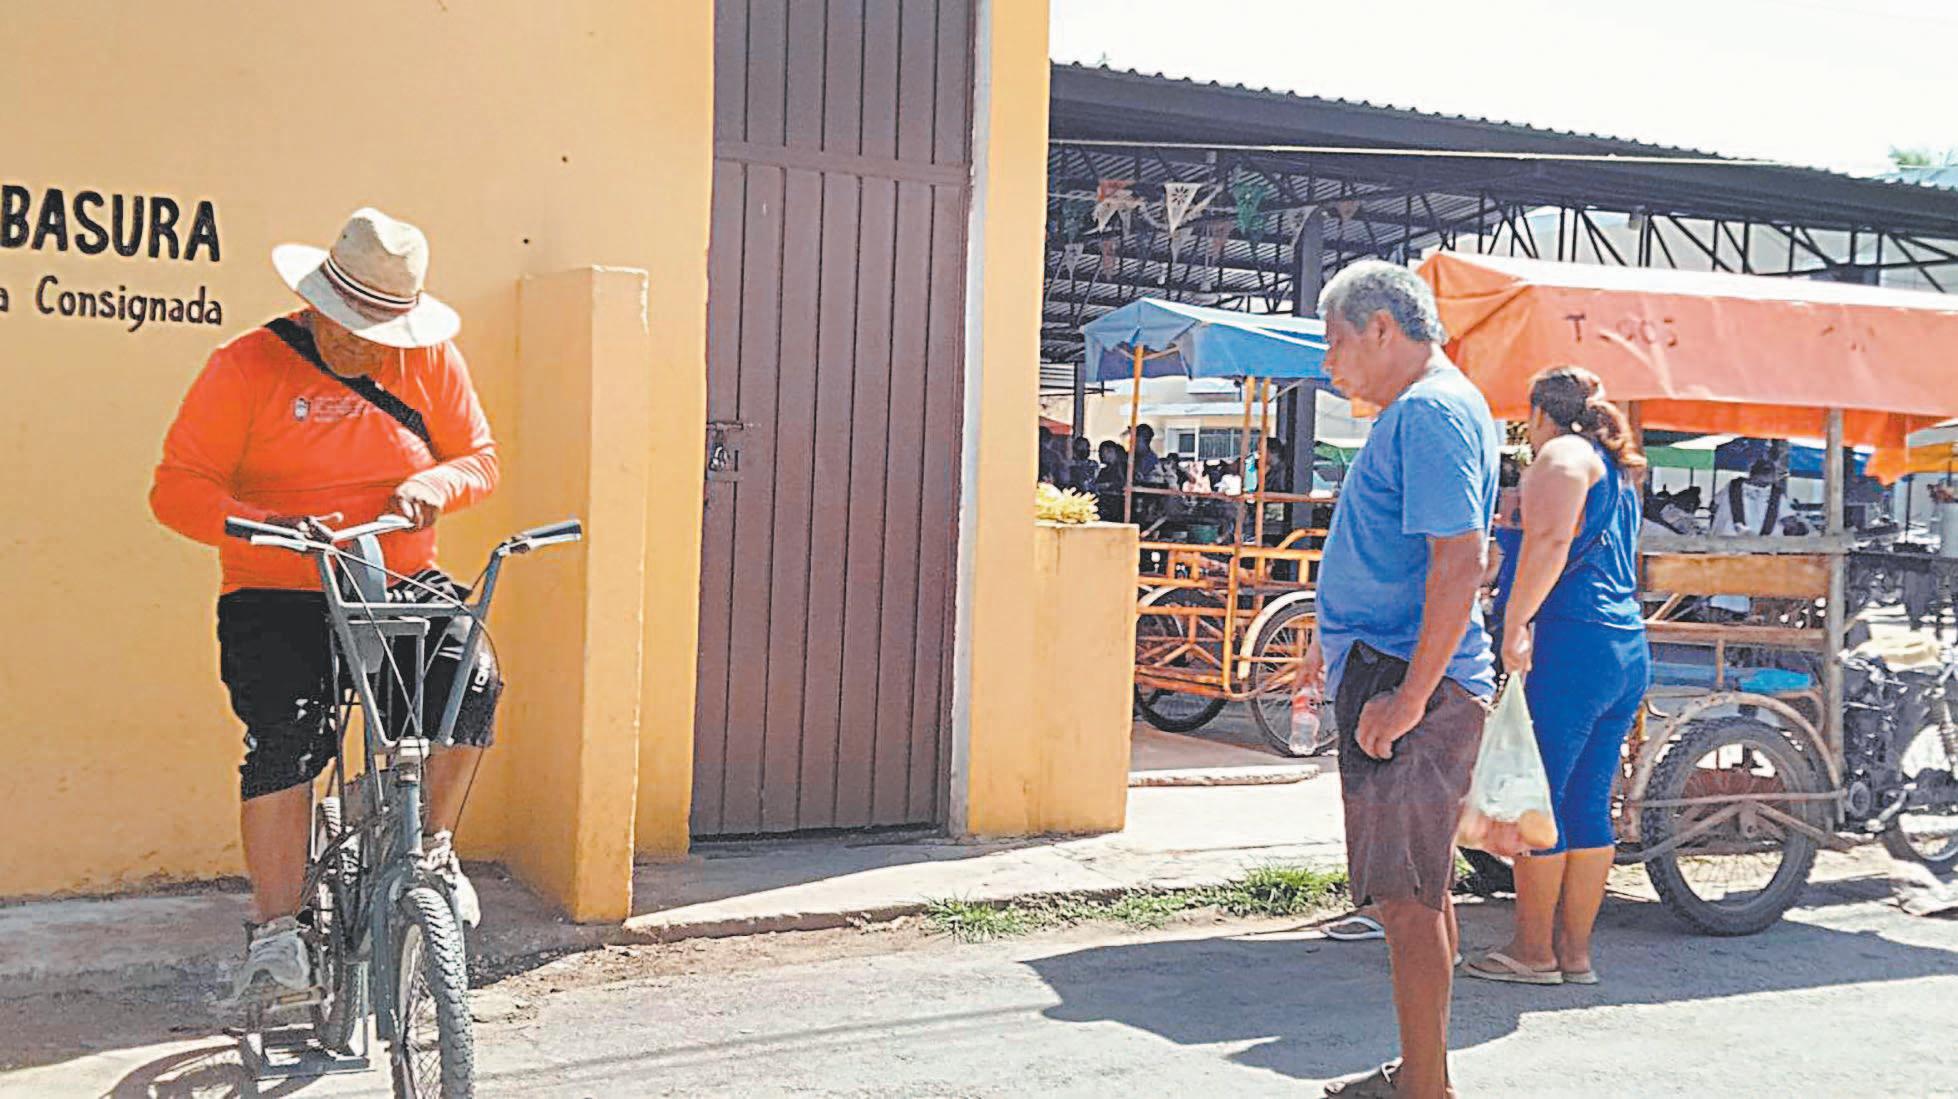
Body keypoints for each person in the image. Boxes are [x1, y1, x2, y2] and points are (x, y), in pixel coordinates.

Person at [150, 208, 500, 1005]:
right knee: (288, 732)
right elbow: (176, 489)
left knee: (471, 678)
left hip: (395, 579)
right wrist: (271, 525)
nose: (367, 346)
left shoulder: (431, 360)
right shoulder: (245, 366)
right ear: (316, 303)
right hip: (278, 588)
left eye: (382, 332)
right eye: (351, 327)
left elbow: (479, 458)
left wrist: (434, 484)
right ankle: (278, 934)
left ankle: (430, 850)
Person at [1302, 260, 1499, 1099]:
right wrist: (1332, 642)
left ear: (1383, 328)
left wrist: (1411, 695)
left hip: (1412, 680)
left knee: (1407, 901)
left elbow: (1459, 561)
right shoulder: (1432, 408)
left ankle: (1424, 1088)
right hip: (1393, 666)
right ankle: (1422, 1075)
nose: (1329, 363)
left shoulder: (1429, 411)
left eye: (1336, 342)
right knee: (1420, 890)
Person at [1461, 367, 1651, 990]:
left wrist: (1516, 623)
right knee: (1586, 801)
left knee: (1537, 797)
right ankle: (1574, 955)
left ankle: (1532, 951)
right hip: (1624, 645)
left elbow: (1549, 544)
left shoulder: (1562, 457)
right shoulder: (1615, 466)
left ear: (1538, 412)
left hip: (1570, 640)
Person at [1707, 457, 1797, 616]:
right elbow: (1790, 522)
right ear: (1773, 475)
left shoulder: (1732, 487)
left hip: (1726, 552)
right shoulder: (1776, 495)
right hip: (1758, 557)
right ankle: (1751, 615)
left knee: (1723, 587)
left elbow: (1714, 506)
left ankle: (1720, 614)